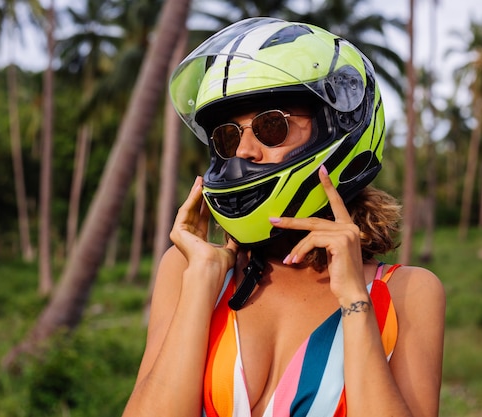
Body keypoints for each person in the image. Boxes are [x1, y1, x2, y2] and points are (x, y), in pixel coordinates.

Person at [122, 17, 445, 417]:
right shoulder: (191, 270)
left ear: (335, 126)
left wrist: (354, 304)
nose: (244, 151)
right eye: (228, 135)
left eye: (270, 125)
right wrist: (201, 281)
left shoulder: (407, 293)